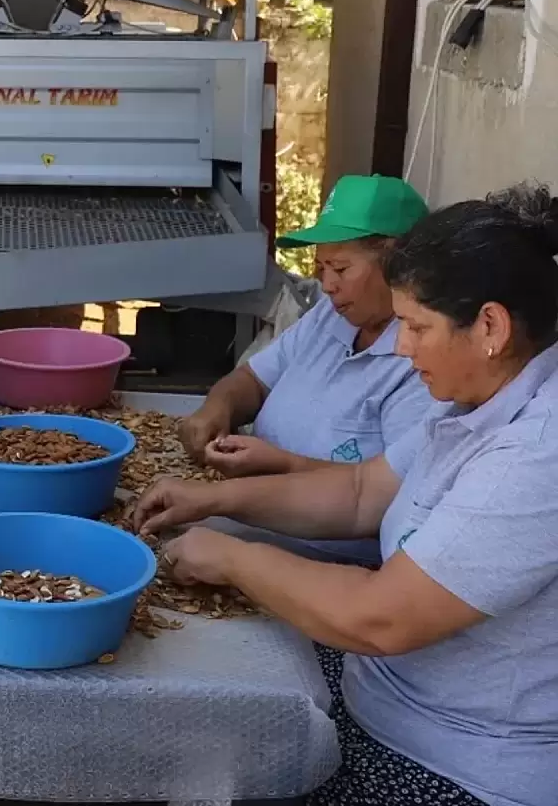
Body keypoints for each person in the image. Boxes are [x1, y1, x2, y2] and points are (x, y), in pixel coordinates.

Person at [132, 184, 558, 806]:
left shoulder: (535, 454)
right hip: (380, 695)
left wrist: (233, 558)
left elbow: (380, 617)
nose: (403, 349)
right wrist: (213, 501)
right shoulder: (479, 397)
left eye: (416, 327)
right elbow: (362, 492)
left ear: (489, 326)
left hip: (454, 763)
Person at [177, 175, 434, 565]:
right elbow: (253, 379)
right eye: (321, 267)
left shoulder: (423, 360)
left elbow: (381, 496)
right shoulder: (330, 318)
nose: (327, 285)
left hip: (324, 561)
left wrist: (280, 465)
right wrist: (217, 409)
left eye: (341, 268)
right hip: (250, 520)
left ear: (400, 266)